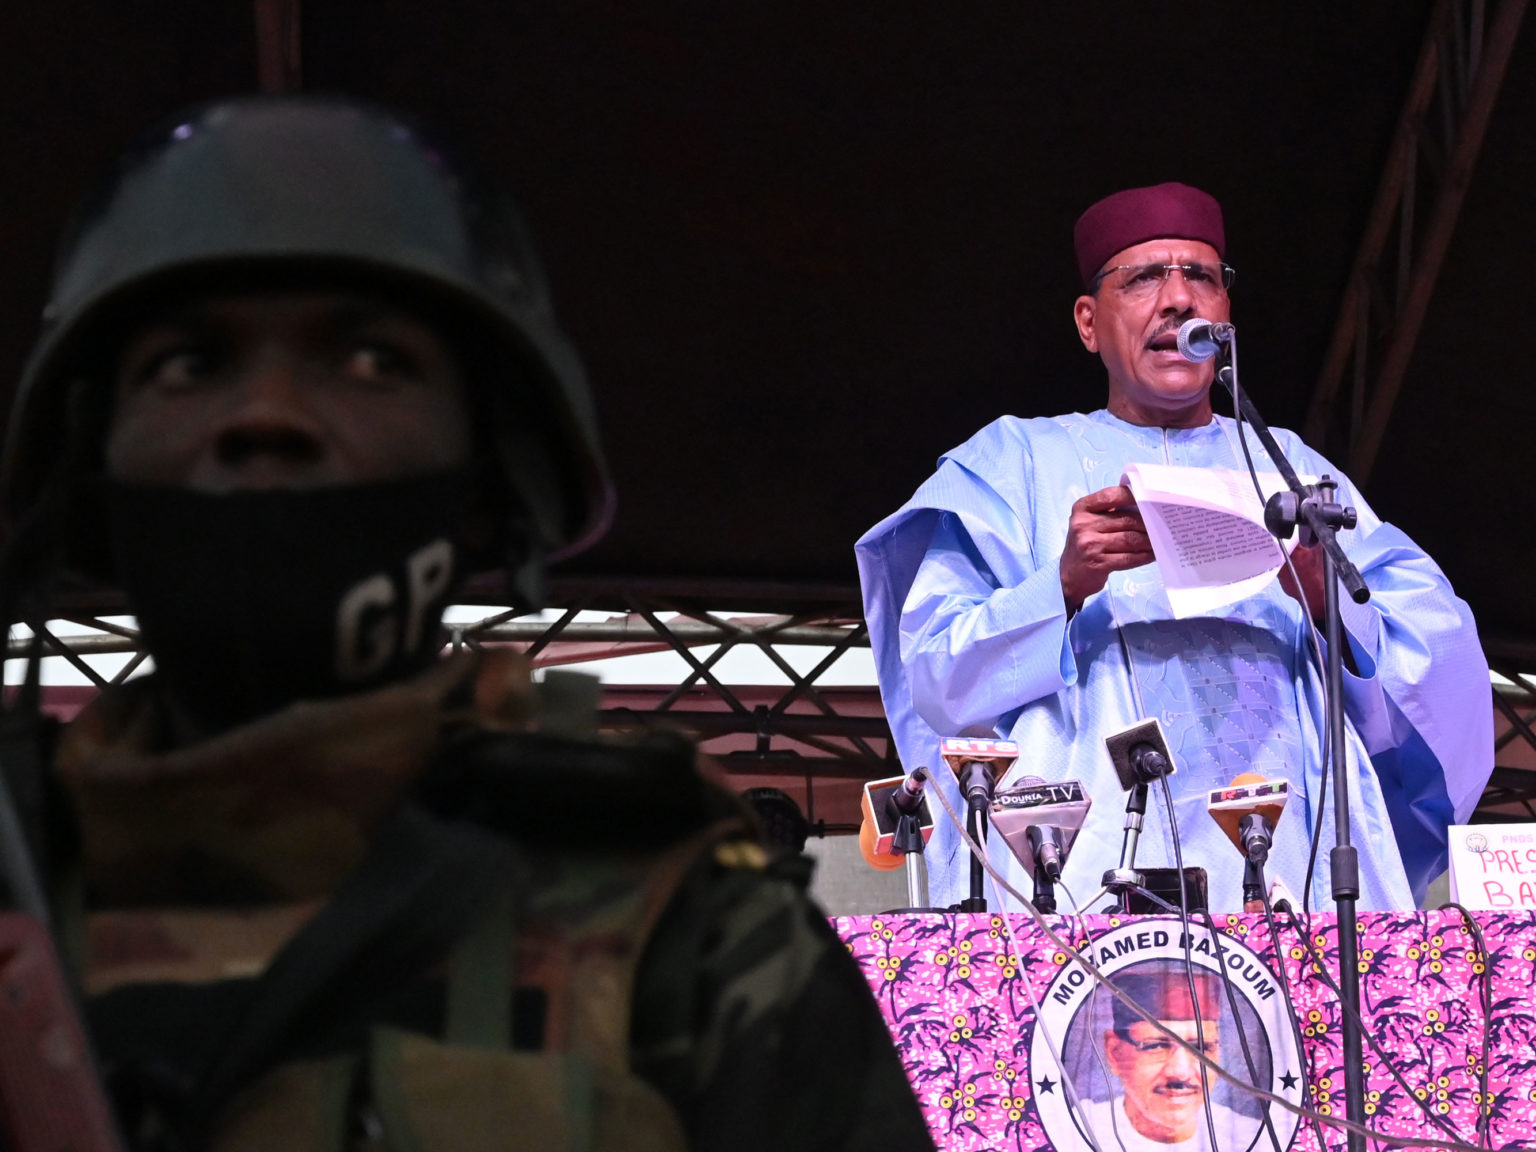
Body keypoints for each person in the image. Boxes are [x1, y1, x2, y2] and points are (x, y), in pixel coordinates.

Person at [0, 95, 933, 1152]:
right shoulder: (19, 869)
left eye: (372, 362)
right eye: (188, 363)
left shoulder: (675, 918)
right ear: (88, 464)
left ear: (490, 477)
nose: (267, 413)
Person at [856, 181, 1491, 913]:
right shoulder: (1013, 464)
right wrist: (1061, 586)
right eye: (1144, 278)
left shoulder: (1292, 471)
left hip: (1292, 855)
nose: (1180, 298)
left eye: (1202, 277)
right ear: (1089, 322)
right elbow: (934, 677)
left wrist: (1333, 609)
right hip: (1082, 868)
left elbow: (1440, 659)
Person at [1078, 969, 1253, 1151]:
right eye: (1156, 1046)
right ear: (1114, 1053)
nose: (1180, 1073)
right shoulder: (1071, 1131)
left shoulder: (1250, 1136)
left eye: (1201, 1049)